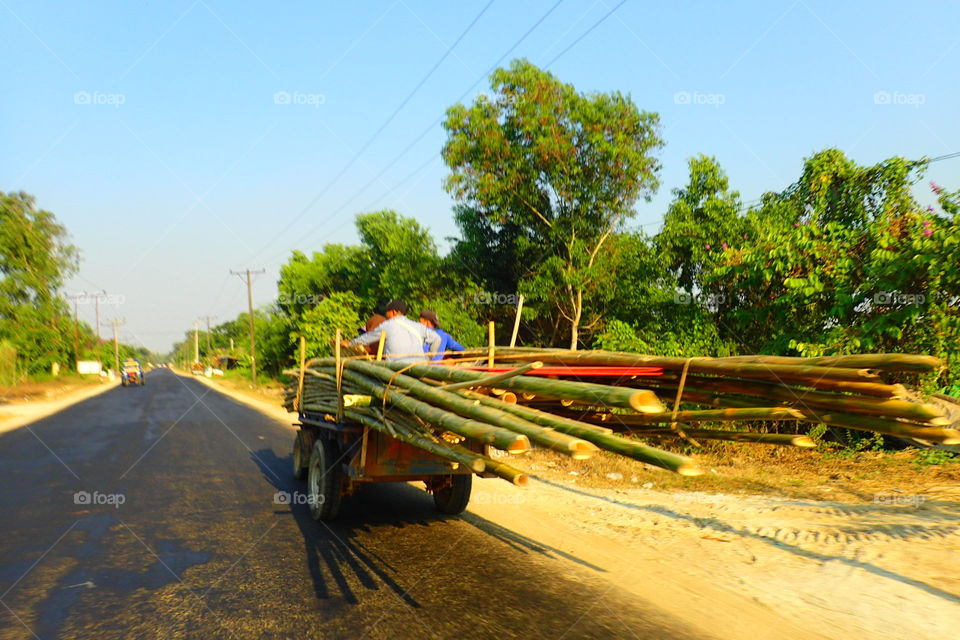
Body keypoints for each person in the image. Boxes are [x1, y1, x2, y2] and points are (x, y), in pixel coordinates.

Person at [344, 300, 441, 364]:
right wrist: (428, 358)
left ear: (394, 312)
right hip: (419, 366)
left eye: (387, 311)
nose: (386, 314)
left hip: (397, 367)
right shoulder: (418, 326)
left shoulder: (387, 325)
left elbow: (367, 338)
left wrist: (349, 343)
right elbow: (437, 338)